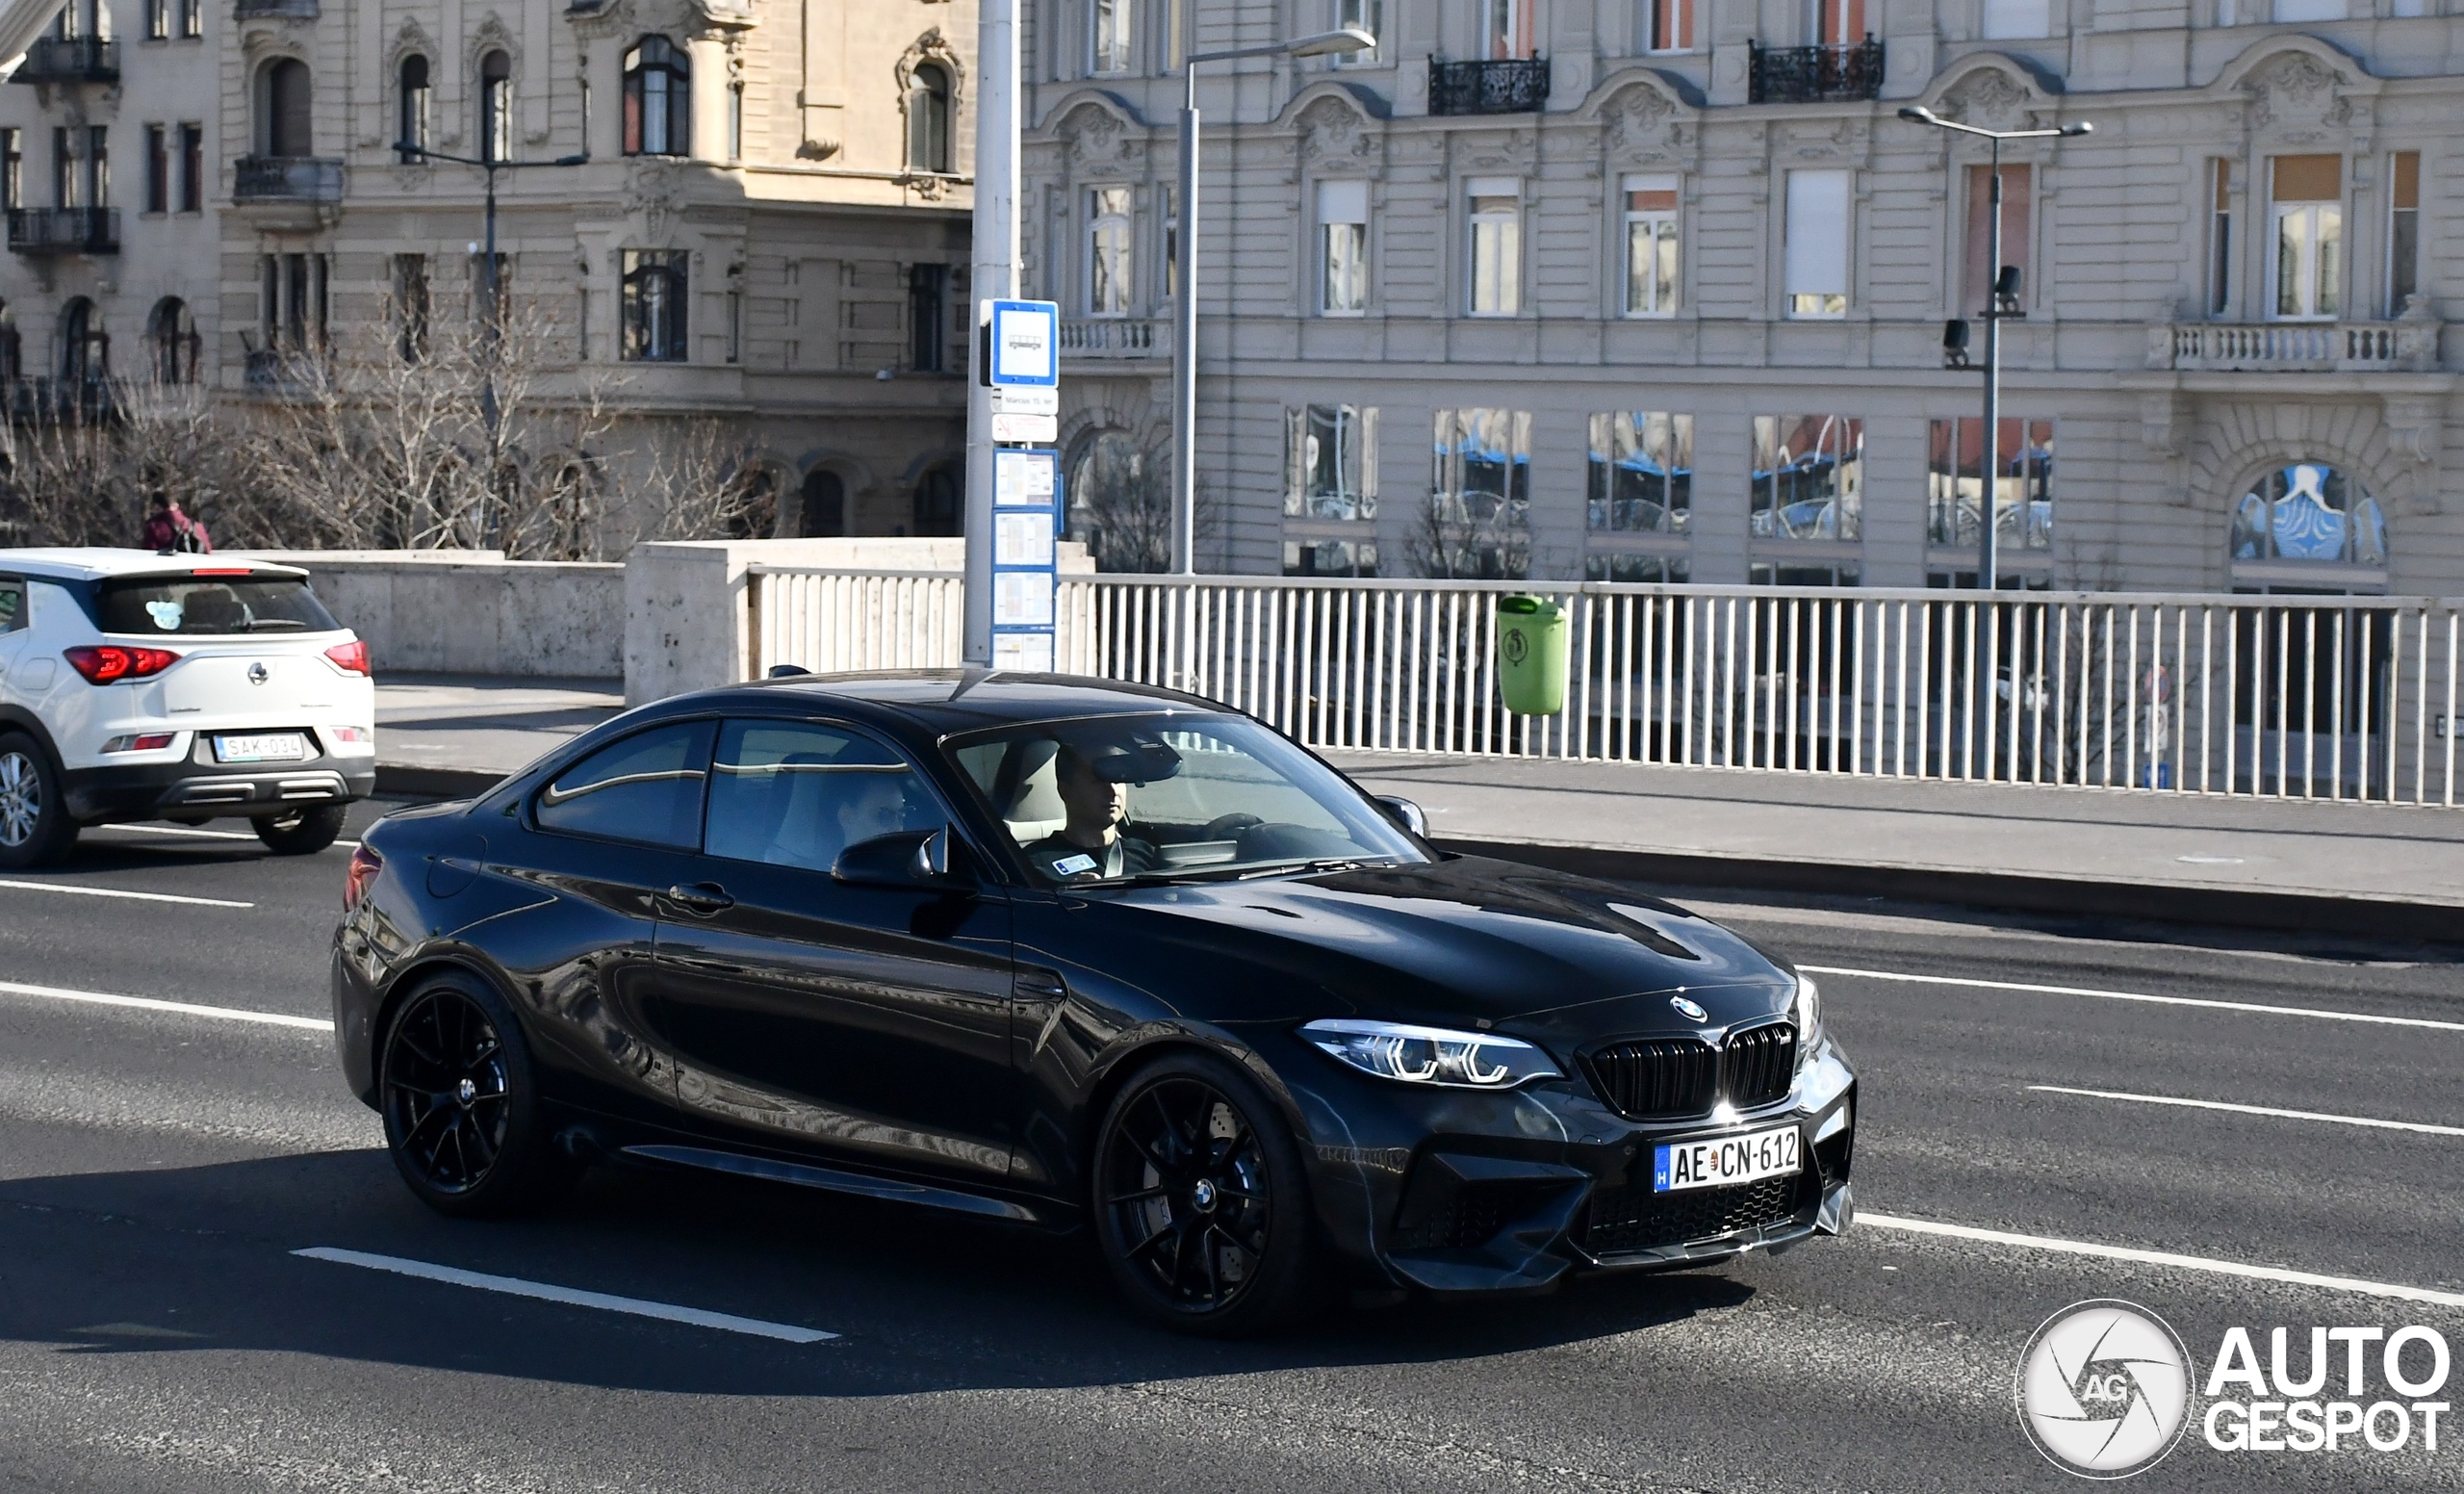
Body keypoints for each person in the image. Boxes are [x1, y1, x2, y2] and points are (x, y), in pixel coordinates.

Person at [1023, 742, 1159, 882]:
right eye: (1099, 781)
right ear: (1065, 791)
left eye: (1118, 779)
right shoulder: (1034, 865)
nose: (1113, 791)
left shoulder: (1148, 854)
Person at [141, 494, 211, 554]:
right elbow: (207, 550)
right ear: (177, 505)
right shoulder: (197, 526)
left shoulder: (155, 527)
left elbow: (148, 555)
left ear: (157, 506)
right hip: (197, 566)